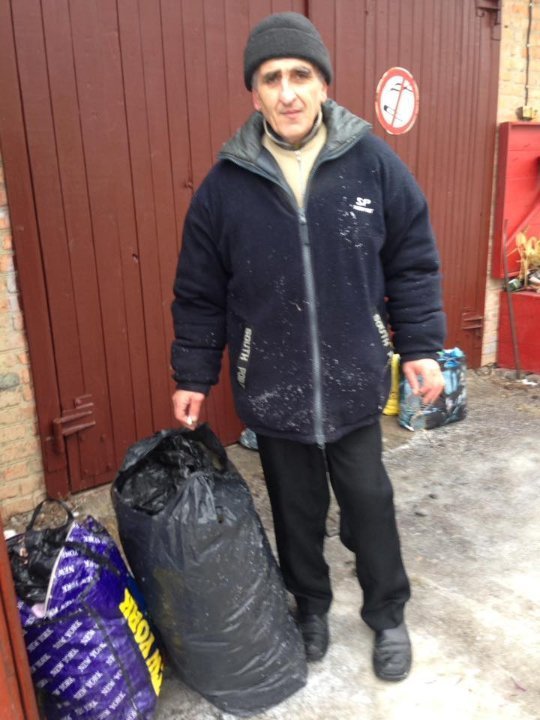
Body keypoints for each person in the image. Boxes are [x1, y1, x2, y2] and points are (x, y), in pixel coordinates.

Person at [171, 12, 446, 681]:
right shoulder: (226, 187)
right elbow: (200, 292)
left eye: (301, 75)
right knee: (296, 513)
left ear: (323, 84)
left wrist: (420, 346)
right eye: (272, 79)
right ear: (254, 93)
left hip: (354, 379)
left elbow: (412, 260)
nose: (288, 92)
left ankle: (387, 613)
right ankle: (312, 608)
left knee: (369, 504)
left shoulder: (372, 164)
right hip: (272, 384)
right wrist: (192, 375)